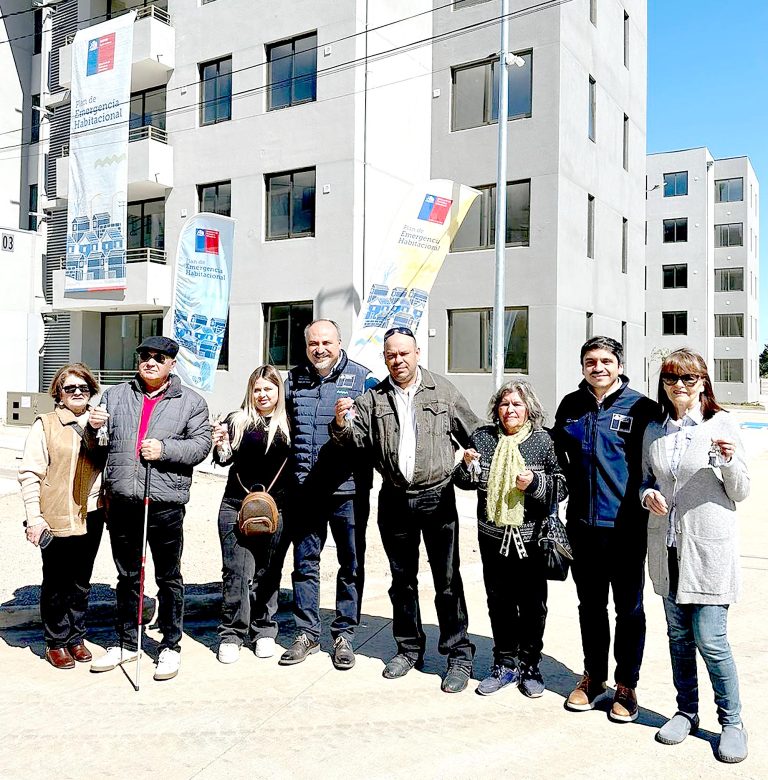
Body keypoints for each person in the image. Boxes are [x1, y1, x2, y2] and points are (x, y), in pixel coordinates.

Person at [331, 326, 481, 693]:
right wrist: (340, 423)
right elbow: (355, 441)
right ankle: (409, 648)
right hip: (395, 499)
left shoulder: (443, 391)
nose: (398, 360)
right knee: (402, 581)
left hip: (437, 497)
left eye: (404, 353)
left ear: (417, 354)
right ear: (385, 358)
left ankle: (458, 654)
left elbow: (475, 432)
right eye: (391, 355)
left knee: (447, 580)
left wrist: (481, 458)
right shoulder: (374, 398)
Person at [641, 348, 749, 763]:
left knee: (711, 639)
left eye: (688, 378)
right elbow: (646, 480)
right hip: (667, 547)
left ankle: (732, 722)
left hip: (708, 551)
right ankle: (686, 711)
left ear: (703, 382)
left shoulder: (721, 424)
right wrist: (647, 495)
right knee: (679, 638)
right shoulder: (655, 430)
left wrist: (729, 462)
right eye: (671, 379)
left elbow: (741, 490)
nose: (679, 386)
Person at [86, 336, 211, 681]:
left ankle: (170, 645)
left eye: (159, 357)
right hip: (123, 501)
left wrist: (165, 449)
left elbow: (201, 446)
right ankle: (127, 642)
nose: (151, 362)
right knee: (128, 576)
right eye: (145, 355)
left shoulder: (191, 402)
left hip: (164, 503)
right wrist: (93, 429)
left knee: (168, 577)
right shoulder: (115, 396)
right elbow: (98, 446)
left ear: (172, 363)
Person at [553, 336, 661, 721]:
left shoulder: (643, 408)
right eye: (590, 361)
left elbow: (658, 463)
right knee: (591, 607)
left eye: (605, 361)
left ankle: (626, 684)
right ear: (583, 366)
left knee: (629, 609)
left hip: (626, 527)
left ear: (619, 365)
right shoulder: (571, 405)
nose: (597, 367)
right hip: (582, 525)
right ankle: (594, 678)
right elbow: (556, 456)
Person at [454, 380, 565, 698]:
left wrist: (536, 483)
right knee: (499, 603)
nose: (510, 410)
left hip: (531, 540)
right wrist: (466, 466)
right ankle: (504, 664)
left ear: (529, 409)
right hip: (493, 538)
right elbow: (464, 482)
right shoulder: (483, 438)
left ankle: (530, 665)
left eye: (517, 404)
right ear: (496, 409)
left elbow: (561, 485)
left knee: (533, 606)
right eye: (504, 404)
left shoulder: (543, 440)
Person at [281, 319, 374, 670]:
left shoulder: (363, 380)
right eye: (313, 343)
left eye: (326, 343)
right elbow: (281, 425)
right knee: (305, 563)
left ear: (339, 343)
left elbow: (374, 434)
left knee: (350, 564)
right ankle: (307, 633)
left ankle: (344, 634)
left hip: (348, 491)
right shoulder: (293, 380)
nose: (320, 349)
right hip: (306, 490)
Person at [18, 364, 105, 669]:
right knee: (56, 581)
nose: (77, 392)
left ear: (91, 390)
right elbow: (30, 473)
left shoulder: (101, 421)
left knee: (81, 580)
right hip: (55, 512)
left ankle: (76, 637)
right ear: (59, 393)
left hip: (92, 512)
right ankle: (56, 641)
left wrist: (98, 429)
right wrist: (34, 517)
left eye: (83, 387)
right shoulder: (46, 424)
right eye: (70, 388)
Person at [211, 365, 294, 664]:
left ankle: (264, 629)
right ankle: (232, 633)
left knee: (268, 572)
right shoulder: (237, 420)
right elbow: (223, 460)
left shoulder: (289, 422)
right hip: (236, 506)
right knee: (236, 572)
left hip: (277, 509)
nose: (262, 395)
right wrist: (221, 444)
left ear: (278, 391)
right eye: (257, 389)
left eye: (268, 389)